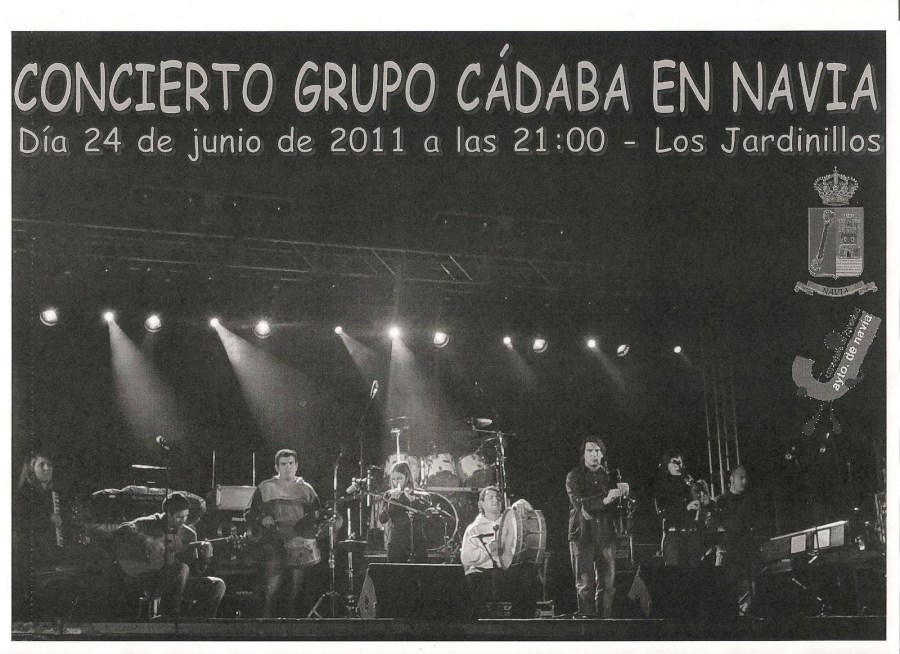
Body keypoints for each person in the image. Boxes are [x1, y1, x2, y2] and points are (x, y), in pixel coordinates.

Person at [115, 492, 225, 619]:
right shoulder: (150, 523)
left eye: (186, 516)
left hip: (178, 583)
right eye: (179, 517)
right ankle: (169, 618)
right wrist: (147, 541)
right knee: (182, 569)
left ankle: (196, 624)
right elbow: (121, 530)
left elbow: (193, 571)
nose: (183, 521)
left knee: (217, 585)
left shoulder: (189, 535)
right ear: (168, 514)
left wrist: (205, 558)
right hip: (149, 580)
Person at [246, 448, 321, 617]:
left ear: (297, 465)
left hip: (298, 544)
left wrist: (308, 532)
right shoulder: (265, 487)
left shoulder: (307, 489)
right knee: (271, 588)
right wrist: (261, 519)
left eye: (291, 463)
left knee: (296, 591)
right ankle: (267, 624)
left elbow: (317, 516)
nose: (288, 467)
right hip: (274, 543)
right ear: (276, 467)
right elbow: (249, 513)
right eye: (284, 464)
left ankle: (292, 626)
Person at [566, 437, 624, 618]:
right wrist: (605, 500)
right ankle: (587, 623)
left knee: (608, 583)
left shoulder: (609, 476)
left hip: (606, 533)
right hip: (582, 533)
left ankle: (605, 621)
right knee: (585, 583)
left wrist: (623, 495)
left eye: (597, 451)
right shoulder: (574, 476)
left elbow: (618, 509)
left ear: (602, 454)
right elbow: (580, 505)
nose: (594, 455)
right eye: (590, 451)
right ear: (583, 454)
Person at [713, 466, 761, 615]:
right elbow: (713, 526)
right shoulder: (720, 501)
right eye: (741, 478)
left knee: (749, 594)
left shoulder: (750, 501)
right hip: (728, 554)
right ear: (732, 479)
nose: (744, 481)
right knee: (726, 595)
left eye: (746, 478)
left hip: (746, 555)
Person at [652, 451, 711, 565]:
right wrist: (686, 507)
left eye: (681, 462)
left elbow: (703, 505)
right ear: (667, 464)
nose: (678, 465)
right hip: (675, 536)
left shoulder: (689, 482)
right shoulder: (661, 485)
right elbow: (662, 511)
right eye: (675, 462)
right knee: (676, 572)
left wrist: (706, 502)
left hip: (693, 535)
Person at [460, 486, 504, 617]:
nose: (495, 500)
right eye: (491, 498)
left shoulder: (510, 524)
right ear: (481, 504)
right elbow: (466, 558)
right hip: (483, 573)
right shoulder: (474, 529)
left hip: (507, 570)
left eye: (498, 498)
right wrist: (488, 551)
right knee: (473, 579)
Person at [377, 460, 432, 563]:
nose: (396, 482)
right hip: (396, 543)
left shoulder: (419, 494)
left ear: (407, 478)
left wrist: (413, 500)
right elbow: (382, 519)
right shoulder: (388, 495)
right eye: (393, 479)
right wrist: (391, 501)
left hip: (416, 540)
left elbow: (426, 518)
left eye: (399, 478)